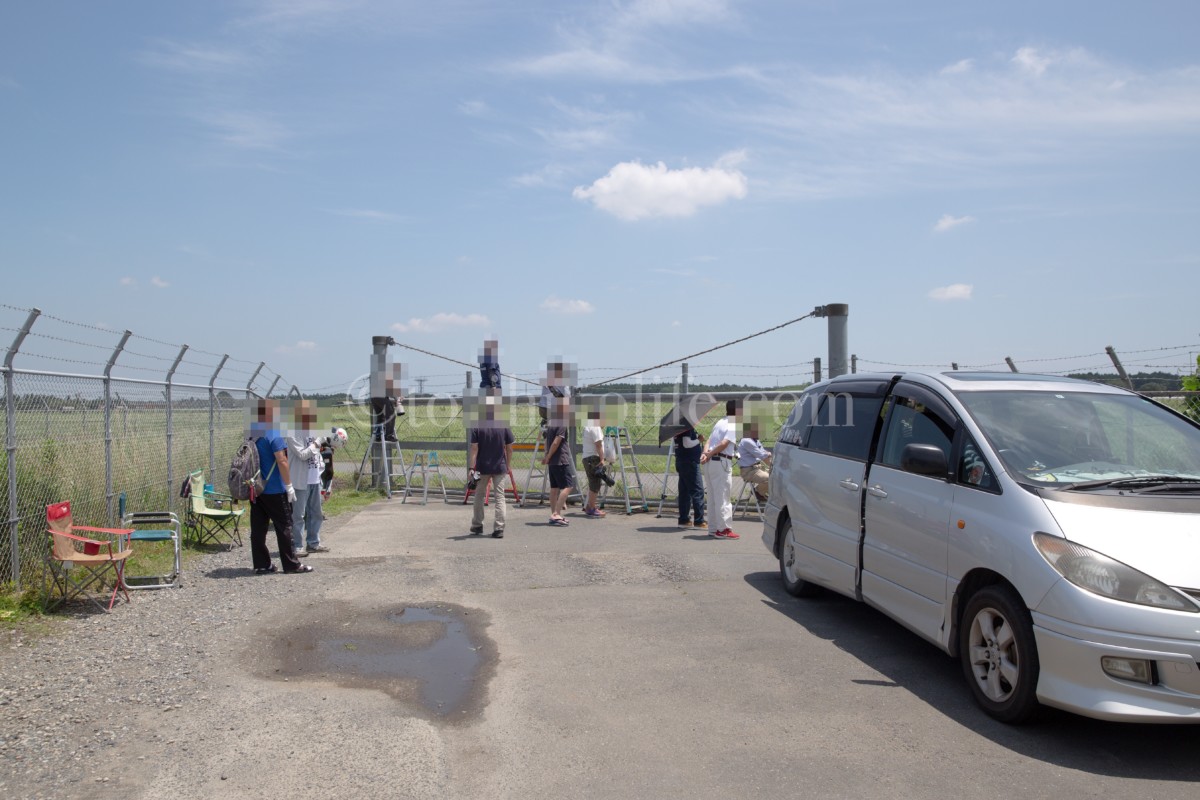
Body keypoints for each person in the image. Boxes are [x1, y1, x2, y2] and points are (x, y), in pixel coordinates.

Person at [248, 398, 312, 575]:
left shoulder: (252, 433)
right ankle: (291, 564)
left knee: (258, 529)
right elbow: (282, 460)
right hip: (274, 489)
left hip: (257, 489)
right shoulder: (273, 433)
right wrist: (289, 486)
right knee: (285, 526)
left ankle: (262, 564)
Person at [467, 393, 514, 538]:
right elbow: (510, 447)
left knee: (479, 496)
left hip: (482, 467)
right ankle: (499, 528)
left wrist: (471, 468)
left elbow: (474, 448)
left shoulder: (477, 426)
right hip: (500, 466)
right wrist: (508, 465)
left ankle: (477, 525)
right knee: (500, 497)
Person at [287, 399, 328, 556]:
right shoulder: (292, 432)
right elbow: (303, 455)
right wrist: (316, 444)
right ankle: (297, 545)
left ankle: (313, 543)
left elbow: (318, 456)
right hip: (300, 480)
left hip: (314, 479)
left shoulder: (314, 431)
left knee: (316, 513)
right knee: (298, 515)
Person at [700, 399, 740, 540]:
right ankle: (723, 529)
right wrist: (709, 454)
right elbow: (724, 444)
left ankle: (713, 528)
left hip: (710, 462)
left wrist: (705, 454)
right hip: (721, 461)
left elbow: (709, 441)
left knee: (712, 497)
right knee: (723, 497)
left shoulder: (720, 422)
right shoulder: (734, 424)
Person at [542, 394, 576, 527]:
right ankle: (556, 514)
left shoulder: (551, 422)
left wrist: (547, 455)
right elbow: (556, 442)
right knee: (568, 486)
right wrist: (549, 456)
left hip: (552, 461)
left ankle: (554, 514)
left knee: (554, 488)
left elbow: (546, 441)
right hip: (560, 459)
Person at [673, 417, 705, 528]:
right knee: (698, 491)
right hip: (689, 462)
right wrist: (699, 440)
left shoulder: (678, 427)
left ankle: (684, 520)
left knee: (684, 492)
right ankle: (699, 521)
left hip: (682, 461)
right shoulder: (686, 427)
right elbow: (687, 443)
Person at [580, 407, 611, 518]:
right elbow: (598, 445)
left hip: (586, 458)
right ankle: (592, 508)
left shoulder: (588, 427)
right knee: (595, 484)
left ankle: (589, 506)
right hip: (593, 458)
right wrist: (602, 459)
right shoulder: (595, 427)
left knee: (592, 482)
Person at [737, 421, 772, 503]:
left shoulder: (755, 440)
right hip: (749, 471)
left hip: (758, 468)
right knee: (770, 479)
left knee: (777, 477)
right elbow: (763, 456)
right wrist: (773, 466)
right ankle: (757, 492)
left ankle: (762, 492)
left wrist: (767, 455)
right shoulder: (747, 440)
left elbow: (764, 453)